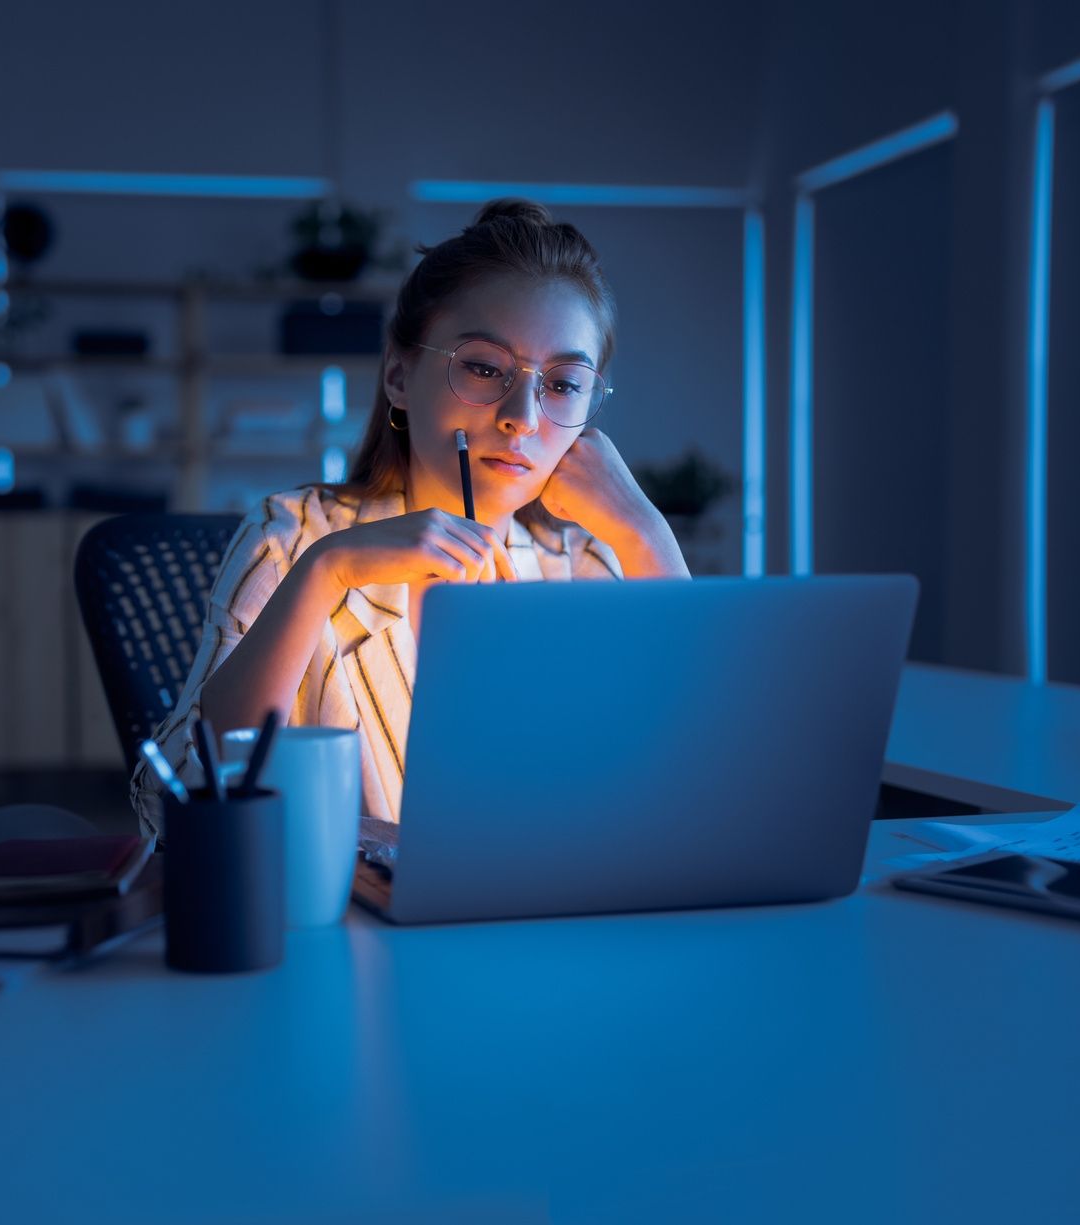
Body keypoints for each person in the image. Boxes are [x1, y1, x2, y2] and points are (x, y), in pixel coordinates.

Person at [131, 198, 689, 832]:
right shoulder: (296, 535)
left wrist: (648, 533)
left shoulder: (589, 564)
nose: (524, 419)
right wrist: (326, 571)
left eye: (562, 385)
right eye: (483, 368)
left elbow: (696, 780)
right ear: (399, 374)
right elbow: (180, 800)